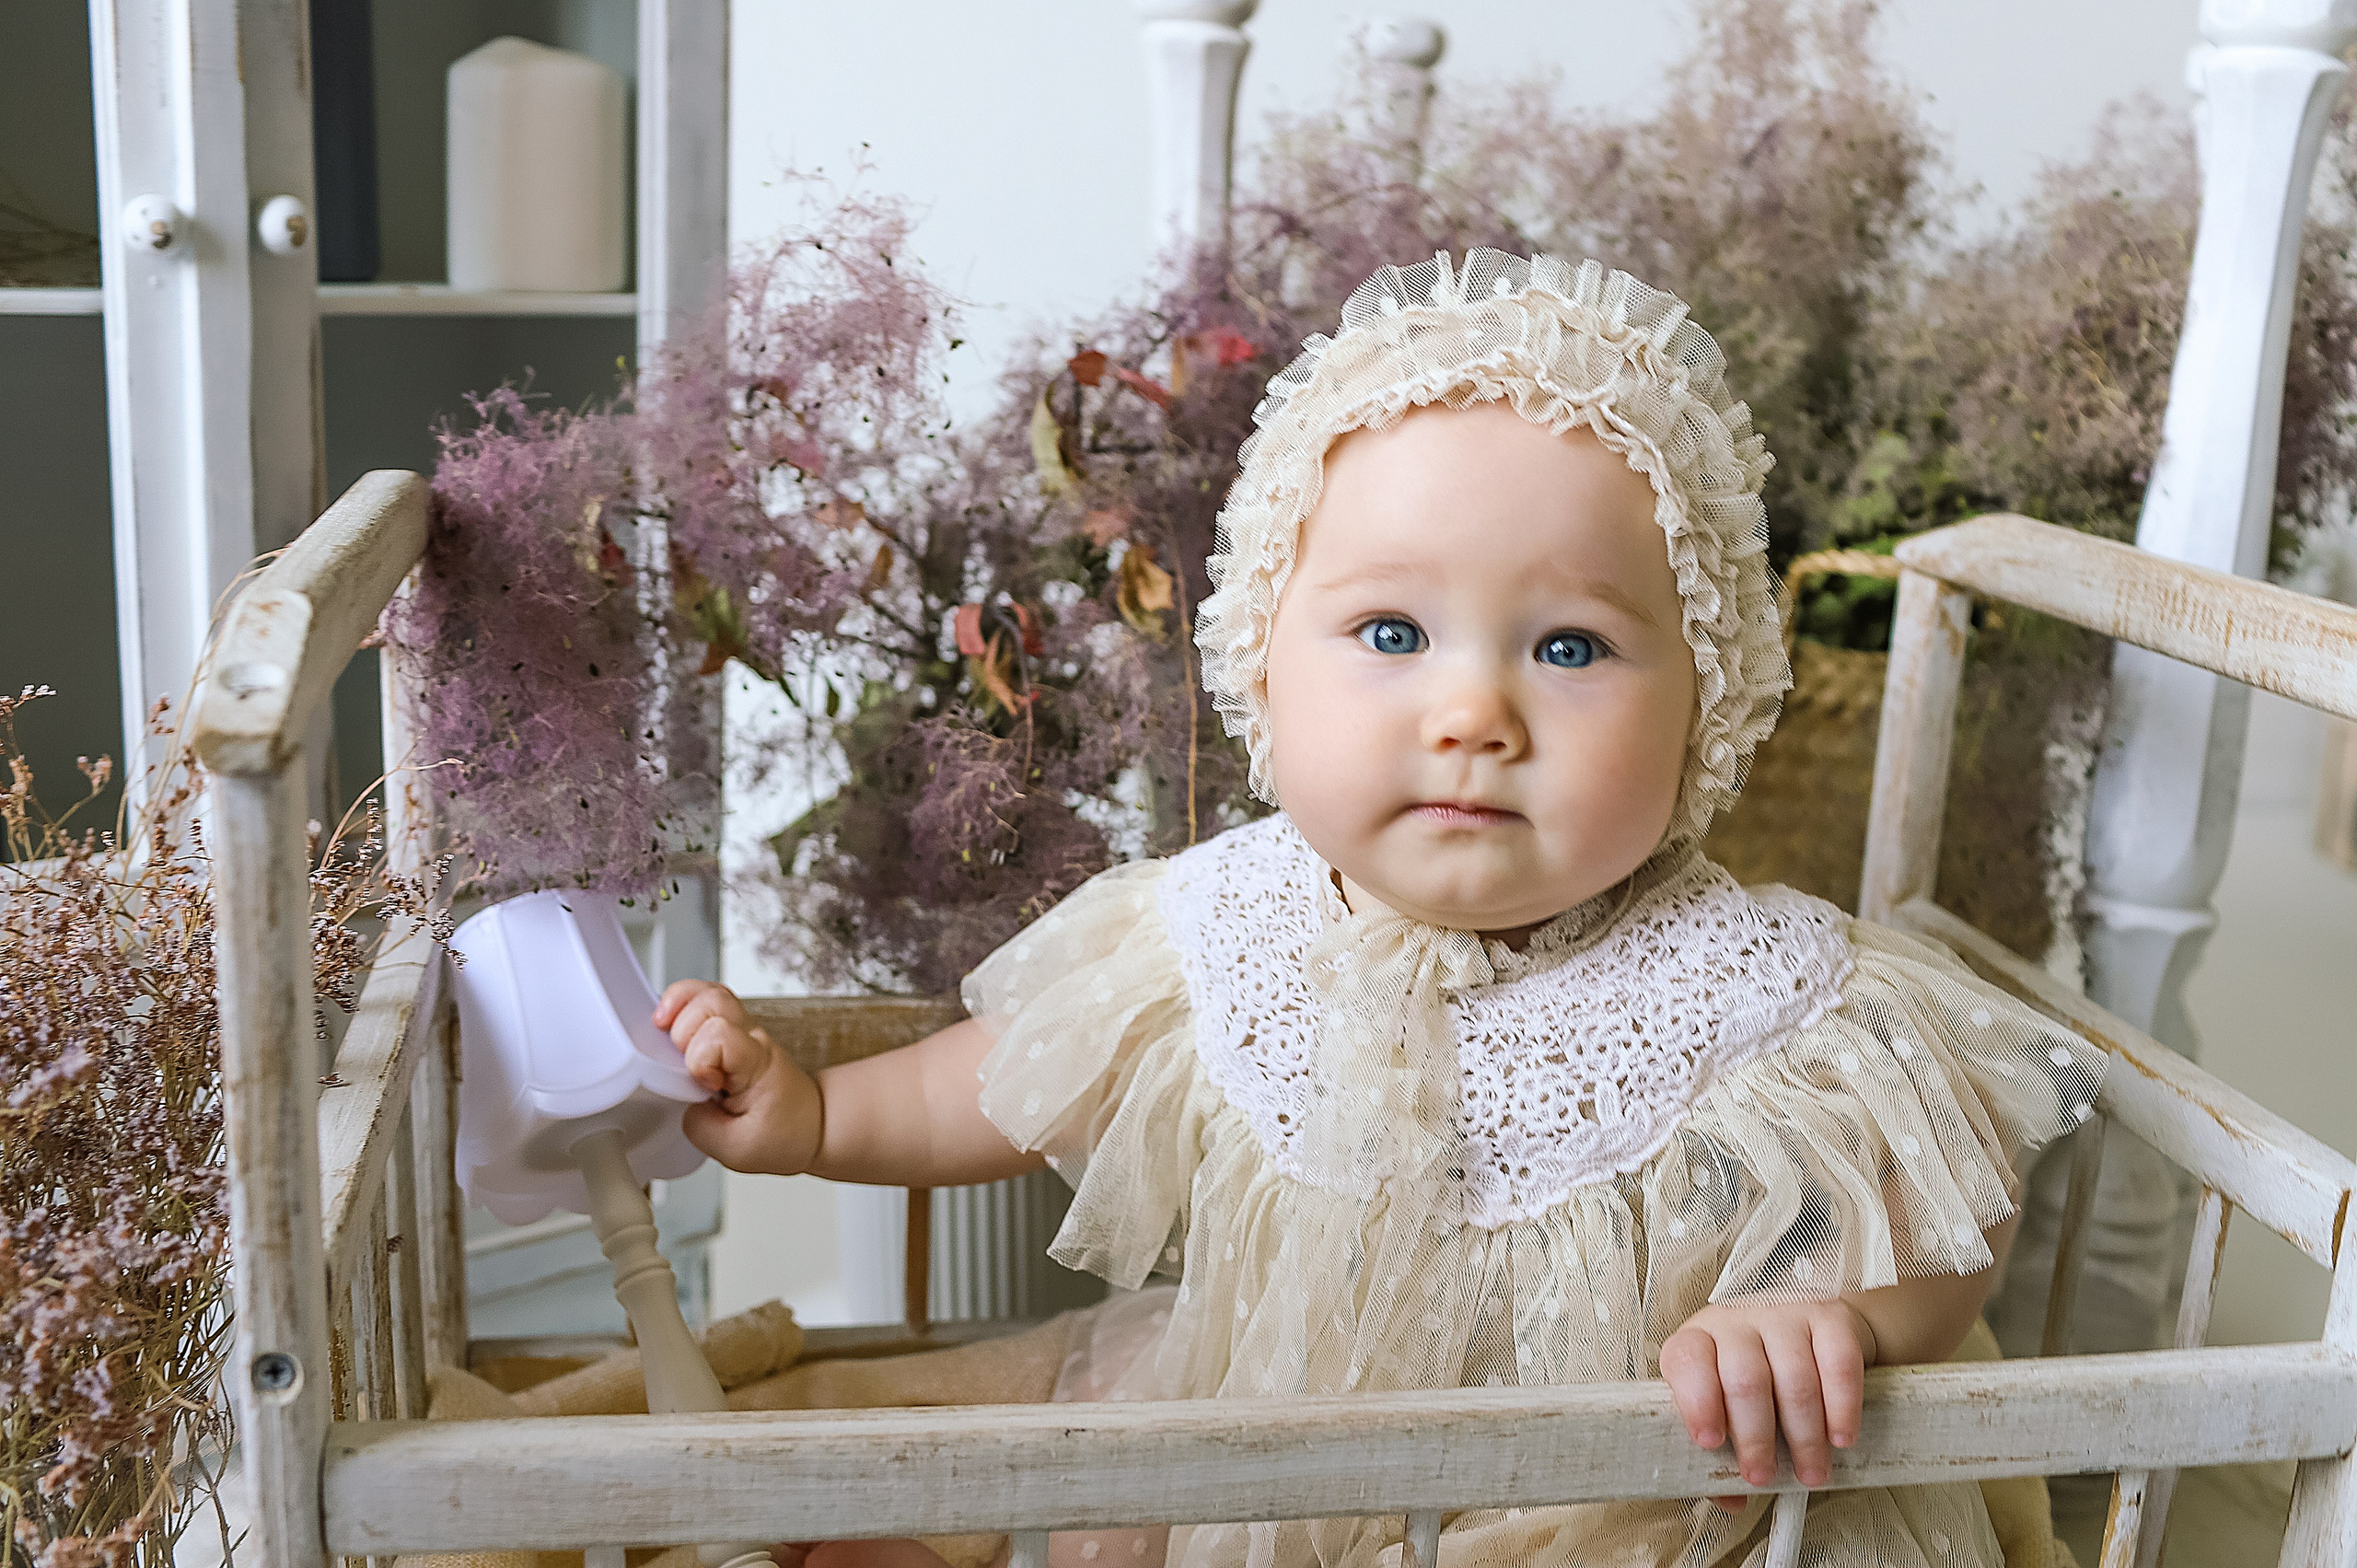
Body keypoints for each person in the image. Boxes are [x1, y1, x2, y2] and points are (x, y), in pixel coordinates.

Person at [656, 250, 2106, 1568]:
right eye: (1393, 633)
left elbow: (1945, 1215)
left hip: (1628, 1517)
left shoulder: (1762, 985)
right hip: (1279, 1483)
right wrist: (819, 1121)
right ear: (1265, 666)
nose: (1473, 710)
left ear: (1706, 704)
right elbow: (1006, 1081)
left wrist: (1835, 1318)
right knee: (951, 1513)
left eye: (1572, 645)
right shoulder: (1226, 920)